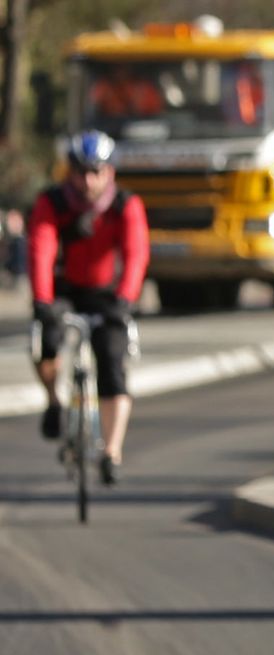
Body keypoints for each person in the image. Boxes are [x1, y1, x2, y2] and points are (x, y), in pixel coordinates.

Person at [27, 130, 148, 485]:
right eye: (81, 172)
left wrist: (126, 299)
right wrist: (42, 300)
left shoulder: (125, 205)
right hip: (64, 289)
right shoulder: (53, 202)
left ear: (110, 172)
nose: (88, 181)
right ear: (70, 172)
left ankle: (111, 452)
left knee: (112, 361)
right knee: (45, 341)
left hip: (107, 294)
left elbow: (136, 253)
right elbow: (41, 249)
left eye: (97, 172)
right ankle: (53, 401)